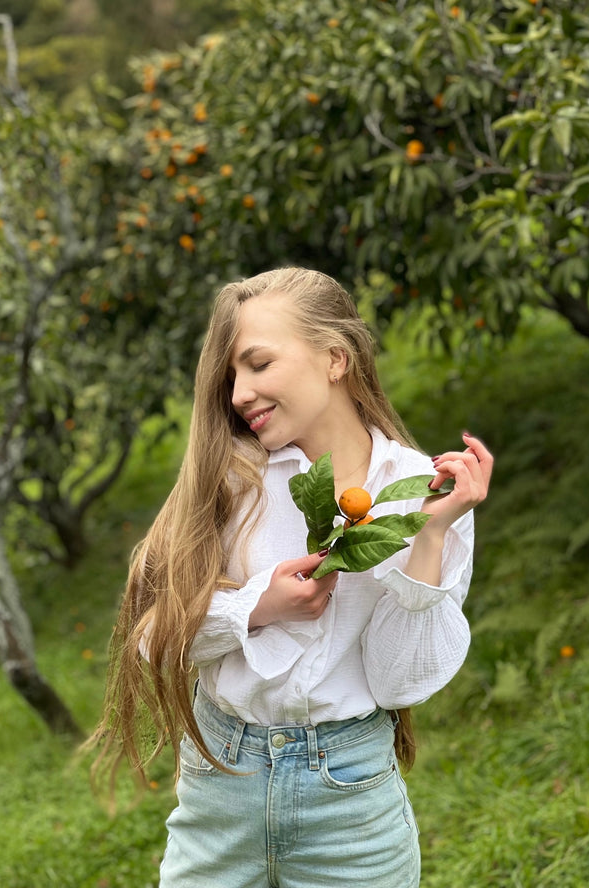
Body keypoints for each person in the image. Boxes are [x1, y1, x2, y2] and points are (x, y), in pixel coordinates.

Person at [88, 267, 493, 888]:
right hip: (224, 780)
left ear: (335, 358)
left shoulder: (420, 491)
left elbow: (399, 680)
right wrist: (257, 607)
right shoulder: (230, 482)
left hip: (349, 795)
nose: (238, 393)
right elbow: (154, 638)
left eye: (257, 364)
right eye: (230, 377)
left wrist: (431, 535)